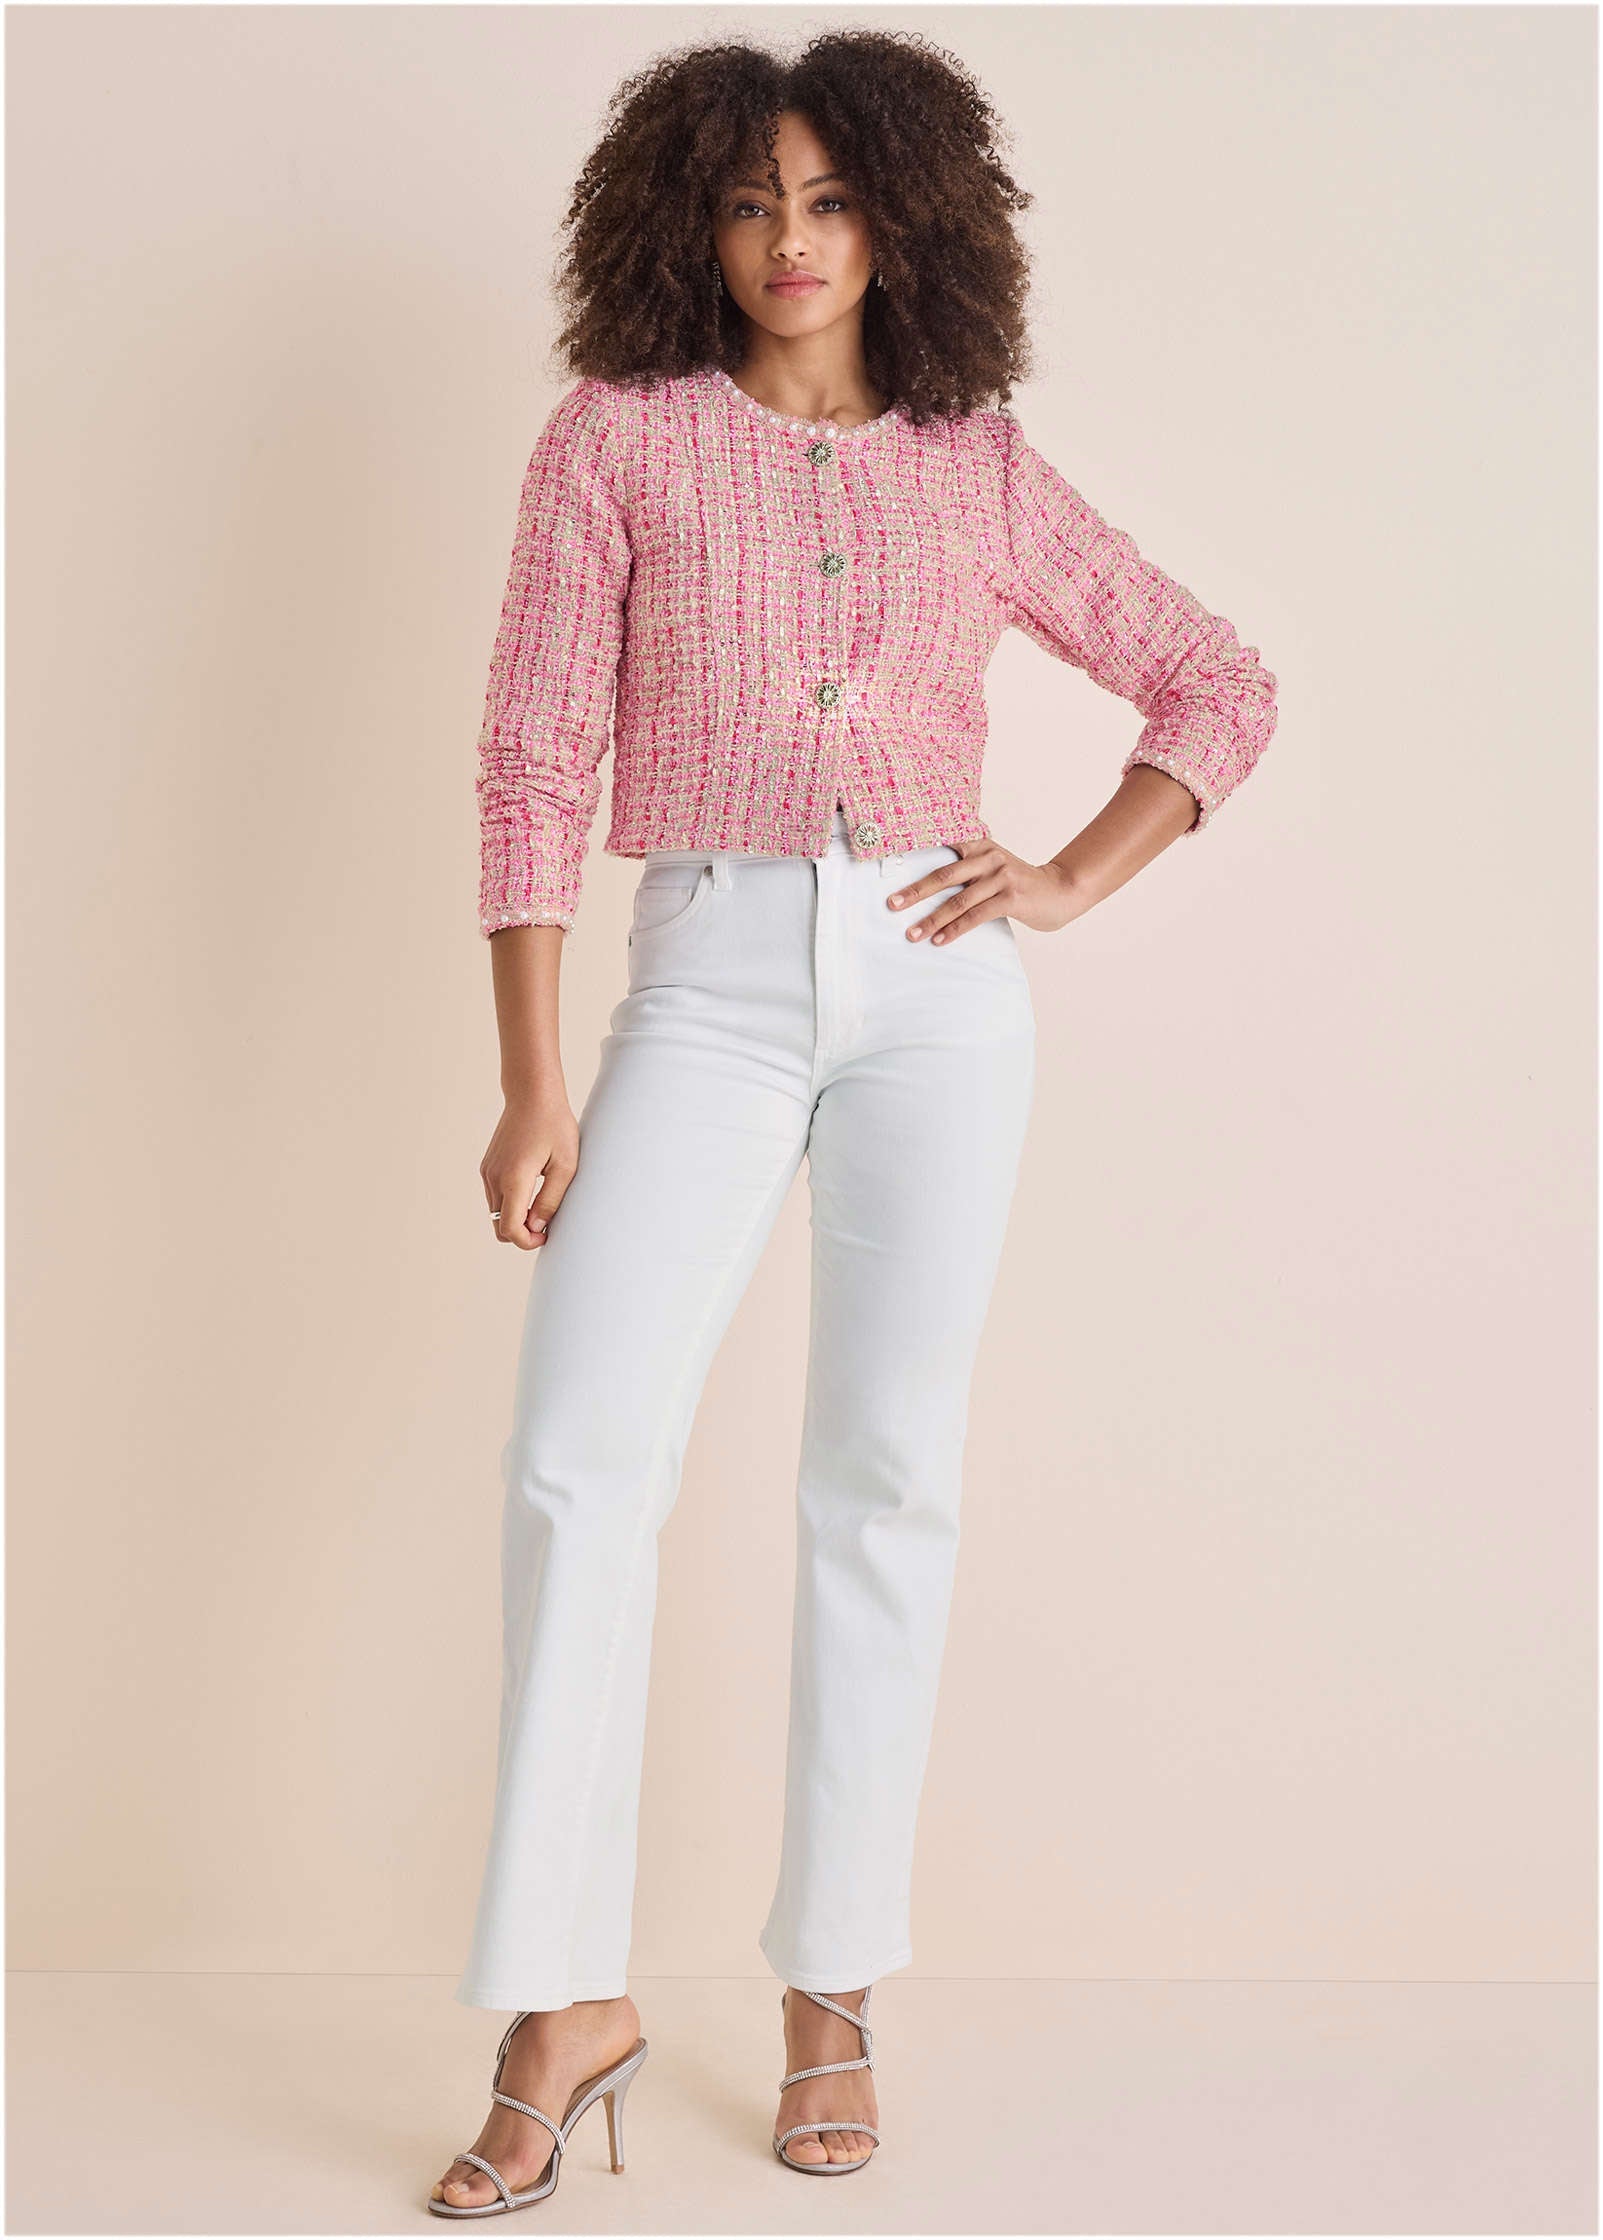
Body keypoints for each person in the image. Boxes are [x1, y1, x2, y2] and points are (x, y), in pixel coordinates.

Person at [430, 26, 1278, 2218]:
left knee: (883, 1478)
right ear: (687, 223)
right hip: (702, 974)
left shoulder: (972, 462)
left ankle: (833, 1988)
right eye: (748, 203)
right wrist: (534, 1072)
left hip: (934, 992)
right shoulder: (614, 441)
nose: (789, 242)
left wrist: (1066, 878)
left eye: (825, 200)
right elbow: (532, 754)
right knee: (577, 1461)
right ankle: (563, 2002)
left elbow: (1217, 678)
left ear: (900, 217)